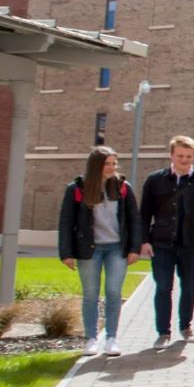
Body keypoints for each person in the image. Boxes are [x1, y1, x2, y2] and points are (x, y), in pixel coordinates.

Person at [58, 146, 142, 357]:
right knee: (90, 295)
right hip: (89, 250)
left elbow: (134, 219)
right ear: (96, 165)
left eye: (114, 163)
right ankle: (91, 339)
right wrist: (66, 252)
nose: (112, 167)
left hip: (117, 249)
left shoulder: (123, 188)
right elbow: (66, 222)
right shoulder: (77, 188)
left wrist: (134, 248)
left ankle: (111, 338)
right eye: (107, 163)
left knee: (114, 294)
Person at [139, 135, 194, 350]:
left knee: (190, 287)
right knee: (163, 287)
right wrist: (144, 240)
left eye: (189, 156)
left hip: (191, 246)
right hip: (162, 244)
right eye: (180, 156)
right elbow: (144, 213)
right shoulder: (155, 180)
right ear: (171, 155)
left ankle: (186, 326)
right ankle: (163, 332)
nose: (185, 160)